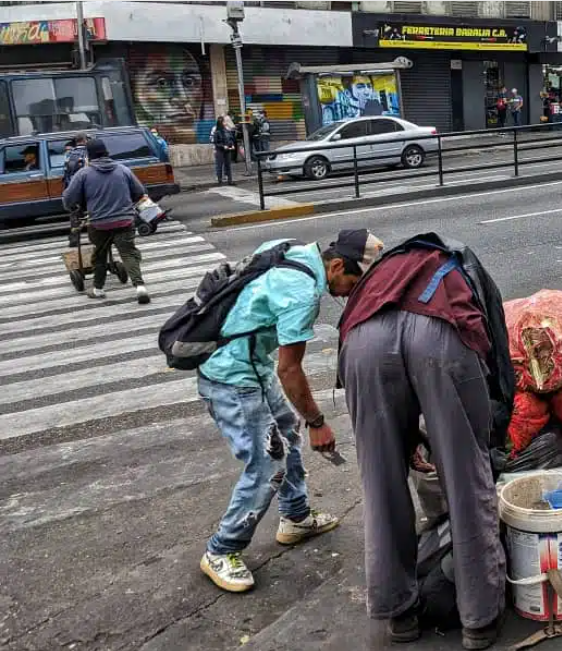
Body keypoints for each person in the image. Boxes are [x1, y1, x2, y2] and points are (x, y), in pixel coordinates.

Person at [333, 231, 513, 650]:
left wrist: (405, 431)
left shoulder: (376, 280)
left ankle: (399, 615)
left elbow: (379, 348)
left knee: (380, 484)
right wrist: (492, 425)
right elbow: (495, 351)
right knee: (468, 481)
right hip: (439, 334)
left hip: (362, 343)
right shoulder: (456, 264)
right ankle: (479, 620)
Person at [196, 236, 360, 593]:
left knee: (287, 433)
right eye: (353, 283)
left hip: (251, 364)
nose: (350, 294)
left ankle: (297, 515)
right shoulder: (303, 293)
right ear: (336, 267)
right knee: (268, 463)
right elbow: (290, 370)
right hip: (232, 379)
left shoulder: (292, 248)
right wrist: (318, 422)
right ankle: (221, 549)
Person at [61, 138, 151, 304]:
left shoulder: (83, 174)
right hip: (125, 221)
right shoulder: (123, 170)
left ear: (89, 155)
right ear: (107, 153)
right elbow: (139, 191)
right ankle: (140, 287)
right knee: (129, 252)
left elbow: (68, 199)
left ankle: (98, 289)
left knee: (100, 254)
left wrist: (75, 207)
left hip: (99, 223)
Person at [211, 116, 235, 185]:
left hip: (227, 150)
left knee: (228, 166)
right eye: (224, 121)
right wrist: (223, 146)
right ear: (221, 123)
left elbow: (230, 139)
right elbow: (215, 142)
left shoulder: (227, 130)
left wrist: (232, 145)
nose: (225, 123)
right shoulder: (216, 131)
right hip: (220, 151)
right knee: (219, 166)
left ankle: (230, 181)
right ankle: (219, 181)